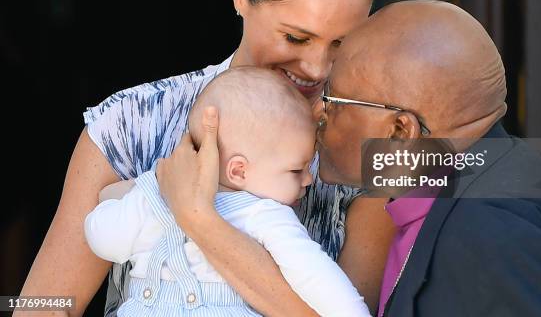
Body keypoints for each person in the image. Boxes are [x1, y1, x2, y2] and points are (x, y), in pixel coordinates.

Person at [18, 0, 395, 317]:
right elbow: (43, 304)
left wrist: (199, 219)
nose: (316, 67)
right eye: (295, 37)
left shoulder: (374, 146)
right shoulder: (133, 123)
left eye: (341, 43)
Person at [312, 0, 541, 316]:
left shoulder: (490, 236)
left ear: (400, 131)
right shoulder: (486, 181)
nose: (320, 112)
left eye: (334, 101)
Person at [84, 67, 370, 316]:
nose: (308, 179)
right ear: (238, 171)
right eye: (297, 170)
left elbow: (102, 238)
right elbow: (319, 281)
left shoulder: (156, 194)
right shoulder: (265, 215)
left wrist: (141, 191)